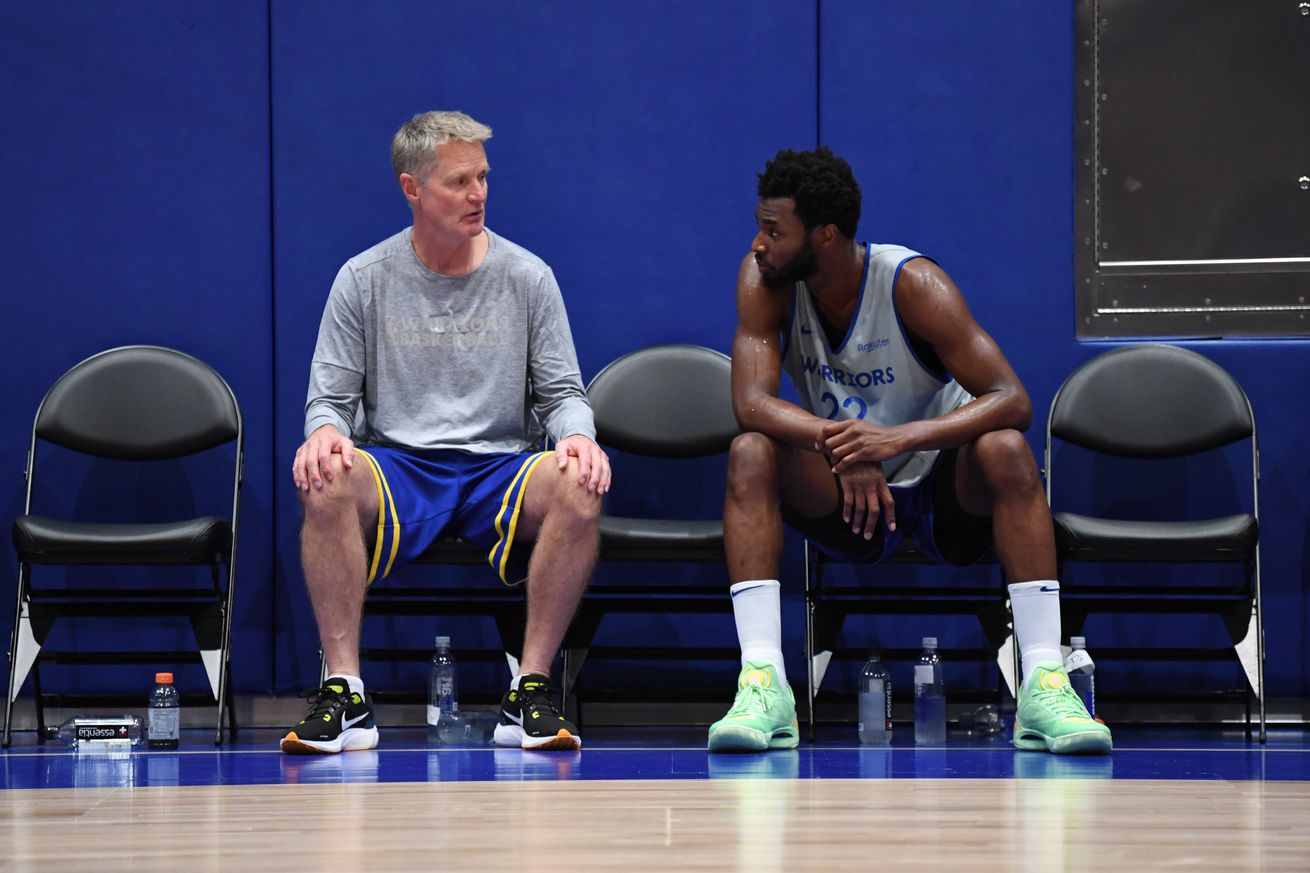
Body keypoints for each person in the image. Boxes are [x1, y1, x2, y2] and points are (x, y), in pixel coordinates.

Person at [708, 147, 1111, 755]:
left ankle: (1045, 684)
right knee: (750, 451)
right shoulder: (764, 281)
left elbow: (1011, 398)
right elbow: (752, 403)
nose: (758, 244)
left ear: (824, 235)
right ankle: (764, 684)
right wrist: (844, 443)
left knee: (1006, 448)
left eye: (773, 231)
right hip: (848, 492)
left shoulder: (912, 284)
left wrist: (897, 439)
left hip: (943, 489)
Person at [282, 111, 609, 755]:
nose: (479, 194)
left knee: (579, 482)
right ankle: (345, 692)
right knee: (323, 477)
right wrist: (322, 431)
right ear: (413, 189)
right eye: (460, 181)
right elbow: (331, 400)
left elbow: (564, 394)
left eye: (483, 177)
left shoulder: (527, 276)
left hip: (500, 466)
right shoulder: (363, 278)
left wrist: (578, 435)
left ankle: (532, 689)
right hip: (401, 464)